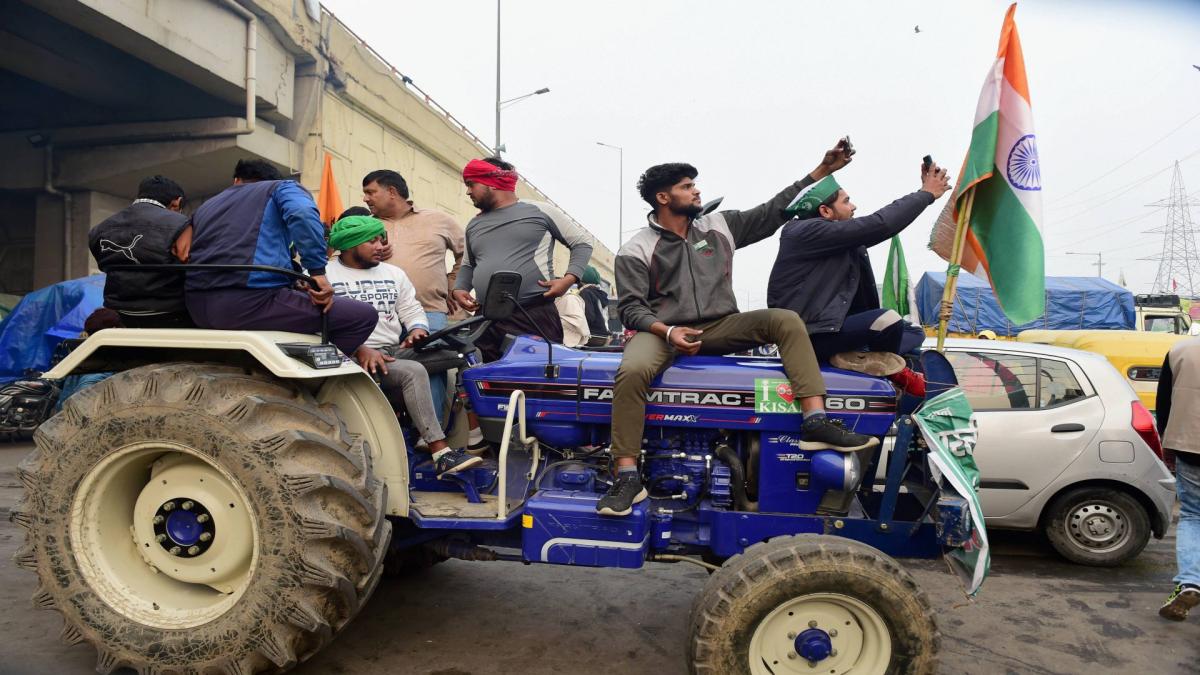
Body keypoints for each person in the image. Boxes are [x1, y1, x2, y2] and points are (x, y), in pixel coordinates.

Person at [599, 142, 880, 517]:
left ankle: (815, 420)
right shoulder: (636, 248)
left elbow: (775, 210)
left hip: (720, 326)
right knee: (632, 370)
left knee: (783, 319)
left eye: (694, 184)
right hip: (663, 332)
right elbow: (631, 307)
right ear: (664, 197)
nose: (696, 190)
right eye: (687, 186)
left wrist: (820, 172)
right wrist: (667, 332)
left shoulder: (719, 226)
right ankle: (627, 475)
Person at [766, 160, 952, 396]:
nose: (854, 207)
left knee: (915, 333)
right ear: (825, 211)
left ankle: (861, 358)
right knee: (888, 320)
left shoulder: (841, 242)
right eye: (846, 201)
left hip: (833, 329)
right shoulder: (805, 232)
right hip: (810, 336)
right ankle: (887, 372)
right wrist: (925, 194)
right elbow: (881, 224)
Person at [325, 215, 481, 476]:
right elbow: (318, 326)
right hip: (351, 358)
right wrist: (357, 348)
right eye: (371, 241)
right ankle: (440, 452)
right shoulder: (324, 275)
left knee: (468, 352)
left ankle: (477, 434)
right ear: (350, 245)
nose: (380, 246)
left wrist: (418, 328)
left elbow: (411, 309)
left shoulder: (393, 273)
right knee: (412, 371)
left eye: (380, 239)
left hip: (393, 351)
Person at [184, 159, 377, 356]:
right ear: (270, 181)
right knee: (362, 316)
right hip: (250, 302)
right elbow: (302, 214)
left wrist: (293, 279)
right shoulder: (281, 188)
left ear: (236, 181)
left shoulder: (206, 206)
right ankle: (315, 384)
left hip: (196, 306)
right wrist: (317, 272)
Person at [451, 157, 594, 362]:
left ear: (492, 182)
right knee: (485, 383)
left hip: (532, 314)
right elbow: (468, 264)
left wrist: (569, 279)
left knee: (534, 381)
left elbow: (582, 242)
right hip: (485, 318)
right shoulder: (474, 224)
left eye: (471, 184)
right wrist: (459, 288)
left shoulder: (541, 211)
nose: (468, 192)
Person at [362, 169, 465, 421]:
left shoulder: (439, 220)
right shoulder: (367, 226)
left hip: (429, 311)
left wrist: (455, 284)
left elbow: (468, 254)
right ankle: (393, 433)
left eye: (370, 192)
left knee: (431, 369)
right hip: (379, 317)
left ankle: (431, 435)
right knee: (381, 371)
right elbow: (343, 260)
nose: (365, 199)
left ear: (392, 192)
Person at [88, 175, 195, 328]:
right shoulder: (181, 223)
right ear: (177, 202)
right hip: (169, 313)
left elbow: (101, 261)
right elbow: (188, 258)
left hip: (118, 313)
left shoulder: (100, 228)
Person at [1156, 336, 1200, 621]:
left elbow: (1164, 404)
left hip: (1190, 446)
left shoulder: (1180, 350)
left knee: (1193, 516)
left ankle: (1191, 582)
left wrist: (1167, 443)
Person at [578, 266, 611, 347]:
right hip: (603, 336)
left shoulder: (585, 293)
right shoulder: (600, 295)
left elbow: (589, 317)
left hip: (592, 337)